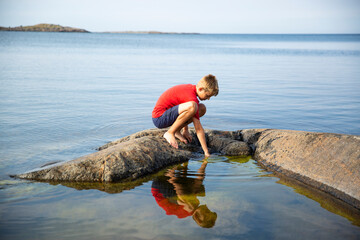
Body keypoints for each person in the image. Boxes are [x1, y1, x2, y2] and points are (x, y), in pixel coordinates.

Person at [152, 74, 219, 157]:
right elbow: (198, 128)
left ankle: (177, 131)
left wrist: (185, 130)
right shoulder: (191, 97)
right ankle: (170, 132)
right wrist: (206, 152)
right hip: (159, 118)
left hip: (168, 116)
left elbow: (183, 109)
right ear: (200, 89)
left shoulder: (191, 91)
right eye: (207, 95)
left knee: (201, 108)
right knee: (193, 106)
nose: (208, 98)